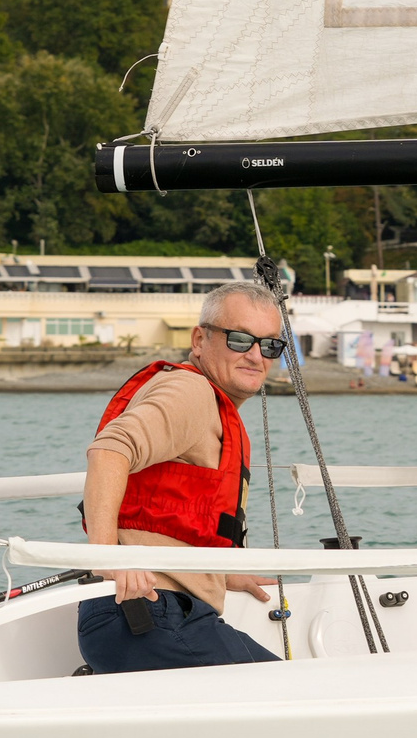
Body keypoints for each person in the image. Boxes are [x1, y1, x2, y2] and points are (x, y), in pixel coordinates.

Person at [77, 280, 285, 671]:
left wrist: (219, 572)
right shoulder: (191, 391)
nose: (257, 355)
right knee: (296, 695)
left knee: (289, 688)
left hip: (160, 613)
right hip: (148, 613)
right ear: (199, 339)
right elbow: (108, 451)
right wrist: (105, 557)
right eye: (240, 339)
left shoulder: (205, 398)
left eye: (270, 345)